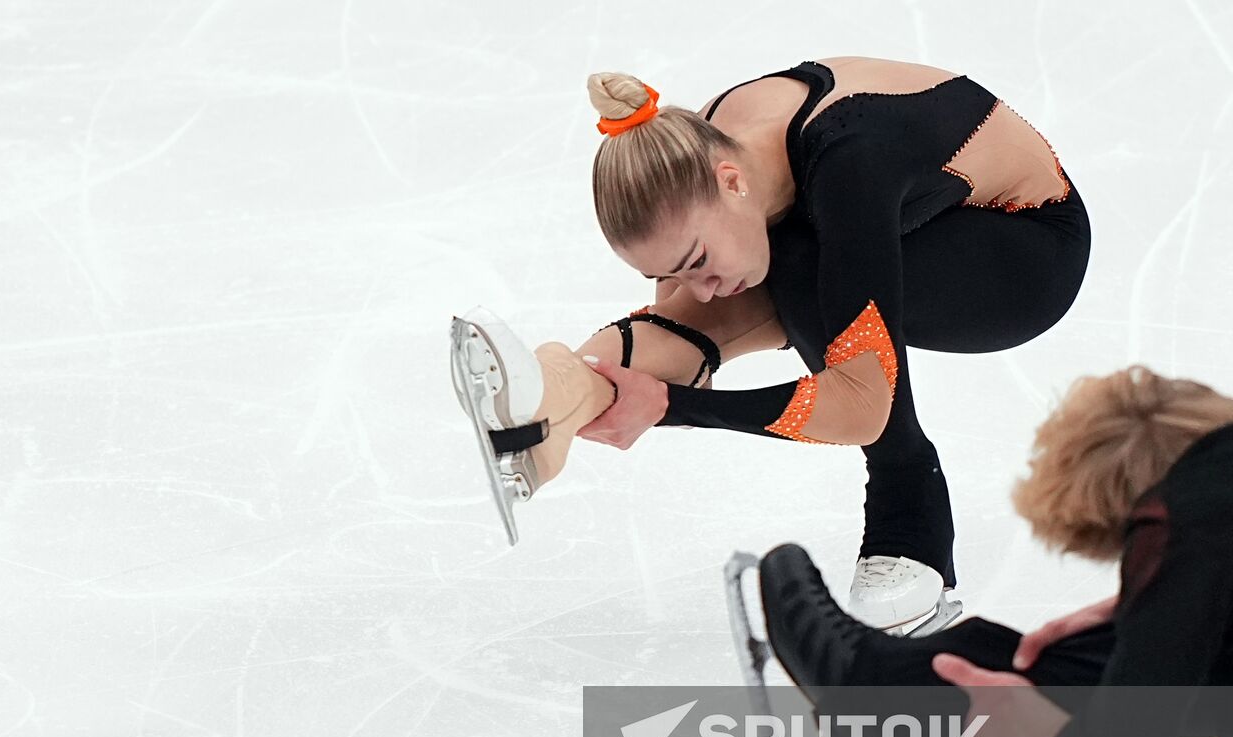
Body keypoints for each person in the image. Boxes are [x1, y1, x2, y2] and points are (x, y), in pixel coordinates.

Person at [450, 56, 1091, 633]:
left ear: (731, 181)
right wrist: (617, 376)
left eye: (695, 258)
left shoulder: (851, 162)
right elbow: (682, 314)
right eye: (673, 268)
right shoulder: (686, 153)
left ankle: (909, 512)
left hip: (1022, 251)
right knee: (709, 307)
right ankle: (553, 392)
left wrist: (671, 406)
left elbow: (861, 407)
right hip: (880, 222)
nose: (696, 286)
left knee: (799, 267)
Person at [753, 365, 1233, 737]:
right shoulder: (1212, 508)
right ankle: (885, 707)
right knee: (1038, 662)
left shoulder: (1192, 521)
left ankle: (876, 692)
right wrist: (1147, 610)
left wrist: (1027, 715)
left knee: (1039, 673)